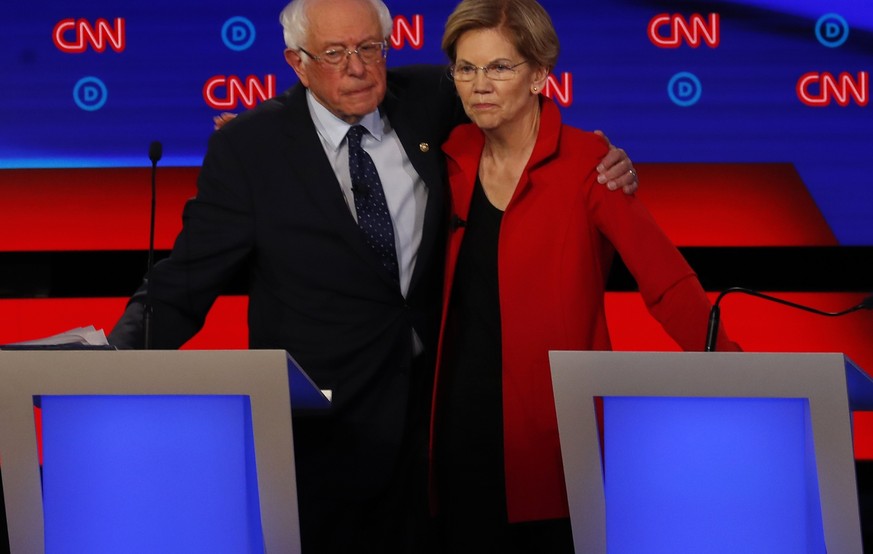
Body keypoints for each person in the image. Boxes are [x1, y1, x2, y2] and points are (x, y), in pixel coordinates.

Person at [108, 0, 637, 551]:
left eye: (370, 48)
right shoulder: (250, 148)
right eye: (334, 54)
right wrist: (116, 360)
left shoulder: (434, 97)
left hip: (437, 425)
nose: (357, 67)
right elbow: (186, 280)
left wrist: (603, 156)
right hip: (323, 435)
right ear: (297, 61)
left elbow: (524, 118)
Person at [429, 0, 742, 552]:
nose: (479, 84)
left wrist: (743, 381)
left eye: (500, 67)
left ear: (540, 75)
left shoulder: (588, 163)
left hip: (554, 432)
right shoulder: (446, 153)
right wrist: (263, 131)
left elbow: (666, 282)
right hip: (455, 426)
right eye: (466, 67)